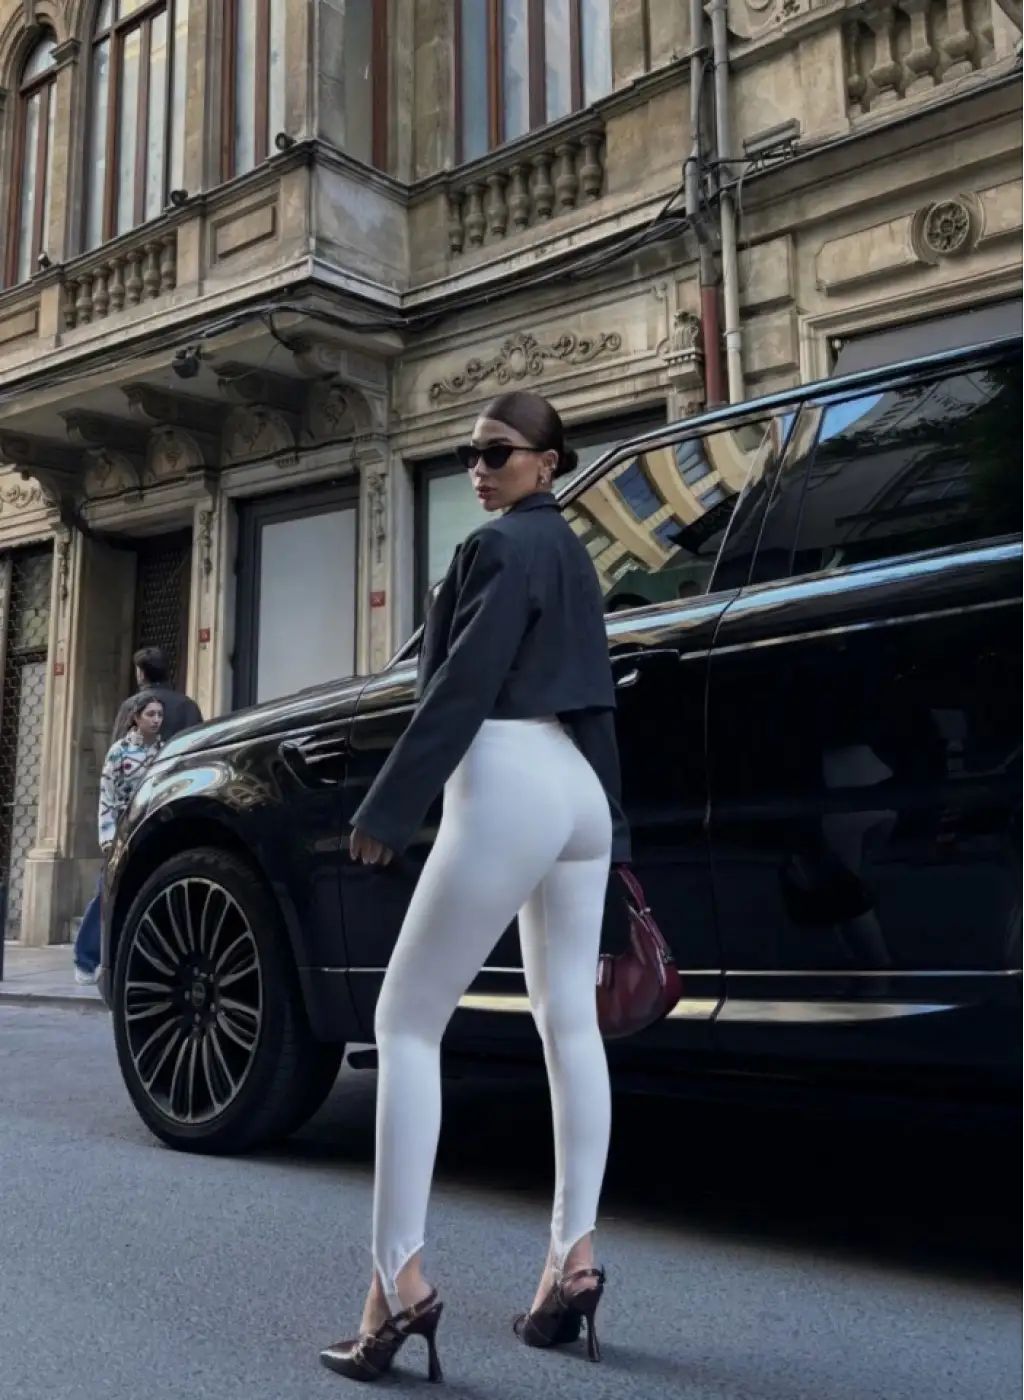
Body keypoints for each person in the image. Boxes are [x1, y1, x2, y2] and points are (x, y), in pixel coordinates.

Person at [320, 391, 630, 1383]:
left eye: (497, 452)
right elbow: (597, 699)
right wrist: (616, 832)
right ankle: (572, 1266)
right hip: (576, 789)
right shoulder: (576, 555)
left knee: (405, 1022)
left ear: (547, 461)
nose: (478, 469)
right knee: (568, 1022)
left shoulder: (497, 548)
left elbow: (462, 680)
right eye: (469, 453)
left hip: (506, 776)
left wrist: (388, 805)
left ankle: (395, 1289)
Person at [73, 693, 165, 985]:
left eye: (159, 715)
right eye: (150, 714)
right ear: (136, 717)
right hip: (122, 832)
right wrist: (108, 837)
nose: (156, 720)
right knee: (106, 892)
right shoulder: (119, 752)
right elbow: (107, 797)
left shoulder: (164, 751)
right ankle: (85, 959)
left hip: (152, 829)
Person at [111, 646, 202, 744]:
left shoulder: (131, 705)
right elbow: (200, 742)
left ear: (141, 674)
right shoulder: (188, 705)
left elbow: (118, 744)